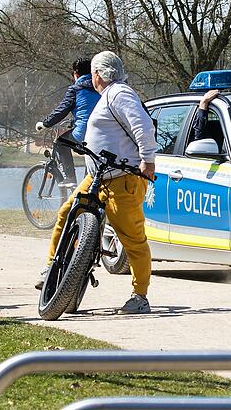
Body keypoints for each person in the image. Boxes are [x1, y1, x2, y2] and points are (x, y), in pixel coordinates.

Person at [37, 51, 158, 315]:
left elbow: (143, 126)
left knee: (133, 240)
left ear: (99, 74)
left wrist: (147, 160)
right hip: (99, 177)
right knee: (66, 213)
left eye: (93, 73)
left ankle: (140, 296)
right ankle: (51, 268)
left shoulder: (119, 94)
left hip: (122, 180)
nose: (91, 78)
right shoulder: (108, 96)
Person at [36, 58, 100, 186]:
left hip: (83, 135)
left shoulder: (76, 89)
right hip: (102, 134)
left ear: (76, 73)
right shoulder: (101, 87)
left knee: (61, 143)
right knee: (91, 173)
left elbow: (62, 110)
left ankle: (69, 177)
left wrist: (45, 123)